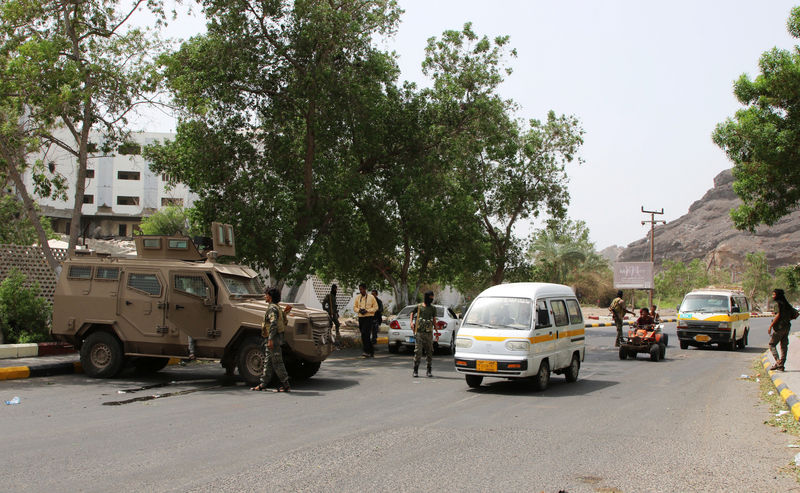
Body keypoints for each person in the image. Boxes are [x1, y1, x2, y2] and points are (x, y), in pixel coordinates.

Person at [251, 287, 292, 392]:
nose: (265, 296)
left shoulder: (272, 308)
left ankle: (286, 385)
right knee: (268, 362)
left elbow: (273, 323)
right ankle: (263, 384)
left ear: (270, 296)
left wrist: (270, 339)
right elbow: (281, 320)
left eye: (266, 294)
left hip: (274, 339)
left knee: (277, 362)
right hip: (275, 338)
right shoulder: (277, 307)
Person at [768, 288, 799, 371]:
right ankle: (781, 365)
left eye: (774, 294)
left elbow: (778, 315)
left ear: (778, 295)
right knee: (784, 346)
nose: (773, 296)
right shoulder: (787, 305)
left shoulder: (778, 304)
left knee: (772, 344)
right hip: (787, 327)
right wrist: (788, 319)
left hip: (779, 328)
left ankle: (778, 362)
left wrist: (771, 326)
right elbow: (796, 314)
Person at [410, 291, 437, 377]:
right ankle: (415, 370)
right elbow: (411, 313)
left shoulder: (433, 308)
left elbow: (434, 319)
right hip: (419, 332)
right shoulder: (419, 307)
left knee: (429, 352)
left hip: (429, 333)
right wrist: (411, 322)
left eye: (433, 297)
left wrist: (436, 330)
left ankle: (429, 370)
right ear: (427, 297)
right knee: (418, 351)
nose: (432, 299)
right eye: (431, 297)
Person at [353, 283, 378, 358]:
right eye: (360, 289)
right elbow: (354, 307)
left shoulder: (371, 297)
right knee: (363, 335)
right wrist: (359, 310)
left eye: (362, 289)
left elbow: (376, 307)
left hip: (369, 317)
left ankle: (366, 351)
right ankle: (371, 350)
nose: (361, 291)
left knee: (366, 334)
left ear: (365, 289)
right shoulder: (358, 297)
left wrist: (367, 310)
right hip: (361, 318)